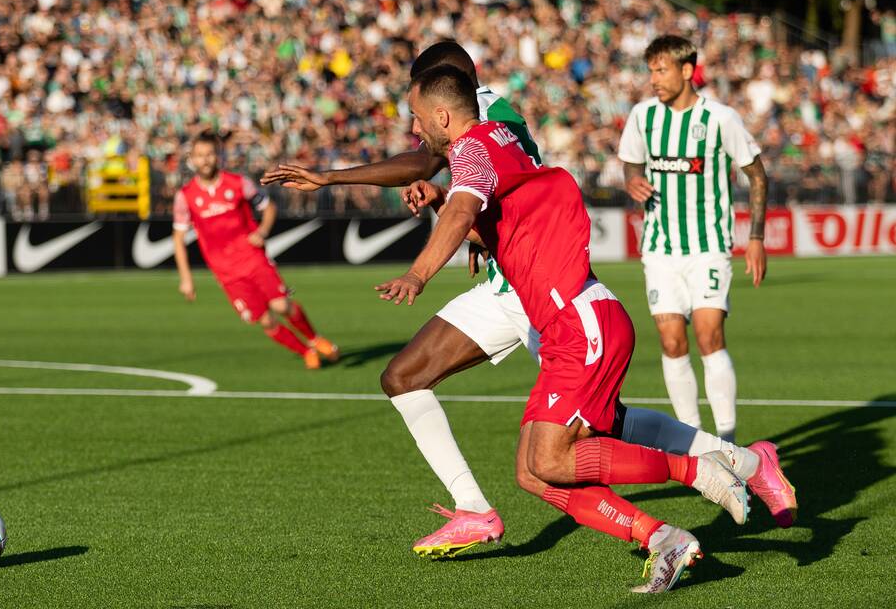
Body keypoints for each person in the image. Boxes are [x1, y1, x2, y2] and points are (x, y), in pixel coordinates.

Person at [262, 41, 795, 558]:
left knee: (575, 443)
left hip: (540, 296)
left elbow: (452, 182)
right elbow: (480, 192)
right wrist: (457, 209)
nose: (416, 127)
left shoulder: (486, 123)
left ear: (449, 94)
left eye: (418, 110)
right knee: (414, 382)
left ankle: (731, 465)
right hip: (513, 284)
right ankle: (493, 509)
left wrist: (423, 246)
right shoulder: (481, 126)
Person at [376, 66, 749, 593]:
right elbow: (496, 213)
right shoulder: (497, 141)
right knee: (534, 473)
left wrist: (418, 273)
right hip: (566, 328)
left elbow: (463, 214)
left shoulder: (472, 151)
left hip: (581, 324)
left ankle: (704, 471)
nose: (416, 131)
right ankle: (663, 537)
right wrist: (441, 200)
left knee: (553, 457)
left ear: (442, 114)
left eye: (417, 117)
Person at [618, 35, 770, 444]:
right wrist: (632, 180)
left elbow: (756, 174)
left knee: (708, 336)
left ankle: (727, 438)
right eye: (650, 70)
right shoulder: (642, 116)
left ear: (687, 71)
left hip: (708, 246)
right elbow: (630, 163)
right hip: (659, 248)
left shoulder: (721, 118)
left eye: (661, 69)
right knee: (670, 340)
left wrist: (755, 237)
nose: (653, 79)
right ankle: (695, 440)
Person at [173, 135, 339, 370]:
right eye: (200, 155)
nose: (206, 160)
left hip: (253, 258)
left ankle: (314, 338)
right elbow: (178, 238)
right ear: (192, 159)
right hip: (226, 272)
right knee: (266, 320)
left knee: (282, 305)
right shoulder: (185, 196)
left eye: (210, 154)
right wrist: (186, 279)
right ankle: (306, 352)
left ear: (218, 155)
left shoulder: (238, 183)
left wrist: (262, 231)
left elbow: (268, 207)